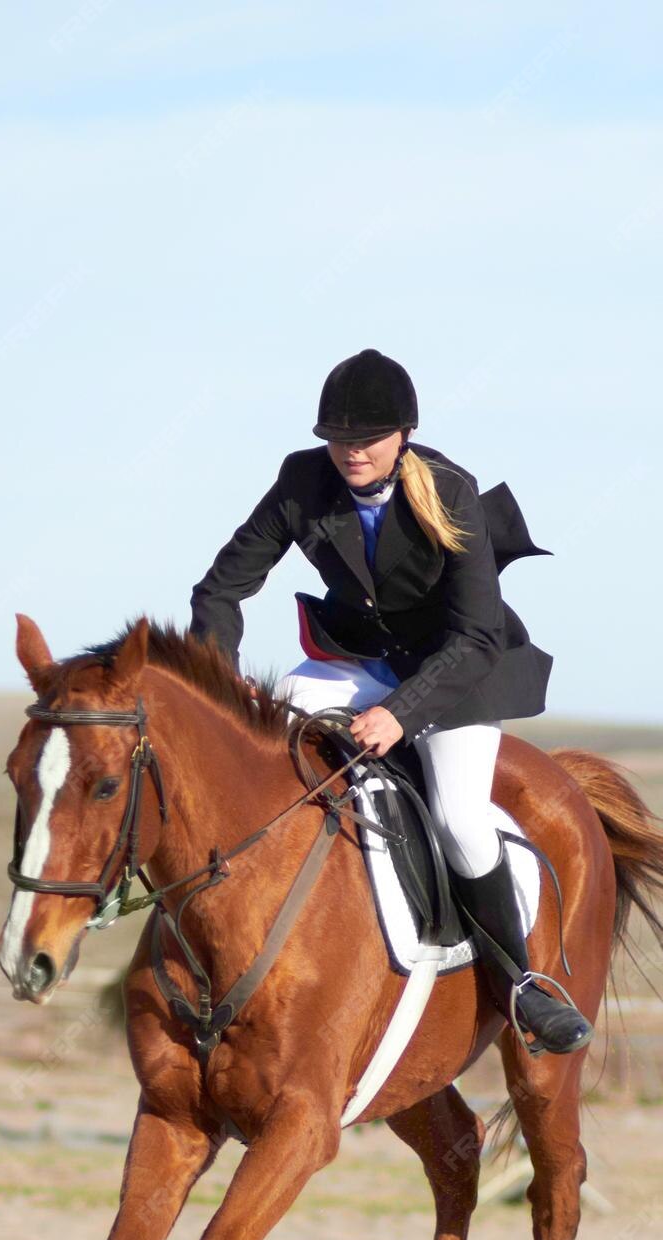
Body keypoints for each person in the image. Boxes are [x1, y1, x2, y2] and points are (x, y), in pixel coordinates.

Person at [189, 347, 592, 1055]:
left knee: (461, 820)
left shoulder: (450, 491)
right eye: (339, 440)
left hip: (456, 673)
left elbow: (474, 637)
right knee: (270, 736)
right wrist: (219, 692)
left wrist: (400, 714)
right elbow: (219, 589)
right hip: (361, 663)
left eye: (367, 440)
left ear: (402, 434)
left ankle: (522, 984)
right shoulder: (302, 480)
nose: (351, 453)